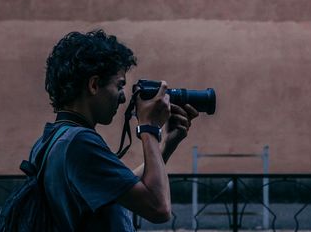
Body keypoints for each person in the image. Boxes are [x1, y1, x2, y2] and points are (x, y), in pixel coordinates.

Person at [29, 29, 199, 231]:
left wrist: (165, 146)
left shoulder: (55, 139)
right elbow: (158, 208)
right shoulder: (79, 143)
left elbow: (123, 186)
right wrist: (148, 129)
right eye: (119, 86)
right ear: (94, 85)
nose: (123, 97)